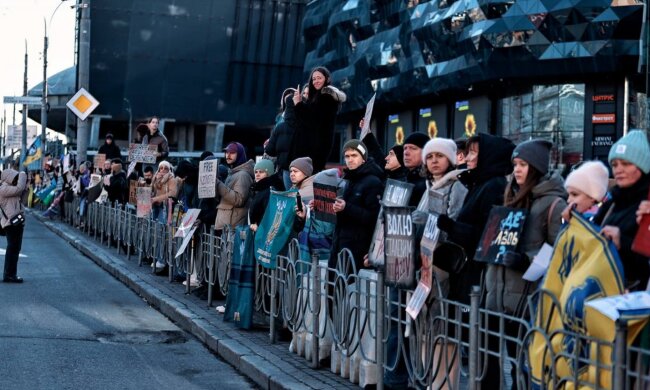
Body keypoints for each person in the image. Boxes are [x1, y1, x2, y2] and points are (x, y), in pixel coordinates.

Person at [483, 139, 567, 387]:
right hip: (498, 297)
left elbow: (559, 254)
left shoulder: (553, 203)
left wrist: (524, 261)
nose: (517, 170)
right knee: (499, 363)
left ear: (537, 167)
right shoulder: (510, 197)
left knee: (527, 367)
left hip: (528, 302)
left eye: (523, 164)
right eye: (515, 164)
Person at [418, 137, 468, 389]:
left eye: (439, 156)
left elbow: (453, 223)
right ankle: (432, 381)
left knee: (444, 331)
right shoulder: (428, 186)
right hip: (426, 265)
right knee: (428, 329)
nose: (434, 161)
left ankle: (444, 384)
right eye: (430, 156)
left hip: (444, 266)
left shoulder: (456, 187)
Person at [594, 130, 650, 291]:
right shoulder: (611, 202)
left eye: (626, 164)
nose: (618, 169)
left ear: (642, 166)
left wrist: (623, 243)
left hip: (638, 302)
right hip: (605, 294)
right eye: (615, 164)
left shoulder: (647, 203)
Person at [328, 139, 383, 274]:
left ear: (363, 158)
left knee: (349, 289)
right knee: (335, 289)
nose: (350, 160)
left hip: (357, 249)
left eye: (354, 155)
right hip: (340, 245)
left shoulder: (373, 181)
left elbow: (373, 218)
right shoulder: (348, 180)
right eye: (347, 156)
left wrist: (347, 208)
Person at [291, 67, 346, 173]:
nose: (316, 81)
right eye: (314, 79)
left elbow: (311, 120)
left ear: (326, 79)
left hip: (315, 151)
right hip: (312, 150)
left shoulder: (326, 97)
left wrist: (298, 104)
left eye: (319, 78)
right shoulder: (316, 97)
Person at [215, 142, 255, 231]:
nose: (228, 155)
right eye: (226, 152)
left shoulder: (243, 175)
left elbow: (239, 200)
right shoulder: (233, 173)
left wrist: (218, 184)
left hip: (233, 227)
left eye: (232, 153)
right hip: (227, 226)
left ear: (240, 154)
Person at [267, 88, 301, 190]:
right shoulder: (305, 126)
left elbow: (269, 150)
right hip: (302, 170)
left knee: (286, 198)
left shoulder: (280, 126)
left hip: (285, 169)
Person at [0, 168, 27, 283]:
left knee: (15, 248)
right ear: (9, 177)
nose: (17, 179)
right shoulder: (3, 189)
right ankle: (9, 275)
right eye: (15, 177)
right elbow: (19, 188)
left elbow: (24, 197)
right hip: (10, 222)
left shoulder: (11, 188)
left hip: (16, 221)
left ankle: (11, 274)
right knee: (12, 248)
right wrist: (22, 174)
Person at [249, 159, 284, 232]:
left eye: (261, 172)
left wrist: (259, 227)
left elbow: (268, 215)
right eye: (256, 172)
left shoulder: (270, 190)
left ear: (269, 173)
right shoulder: (260, 189)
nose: (257, 174)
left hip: (264, 232)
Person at [402, 132, 430, 206]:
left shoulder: (428, 184)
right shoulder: (404, 178)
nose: (406, 153)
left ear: (426, 153)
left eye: (413, 148)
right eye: (405, 148)